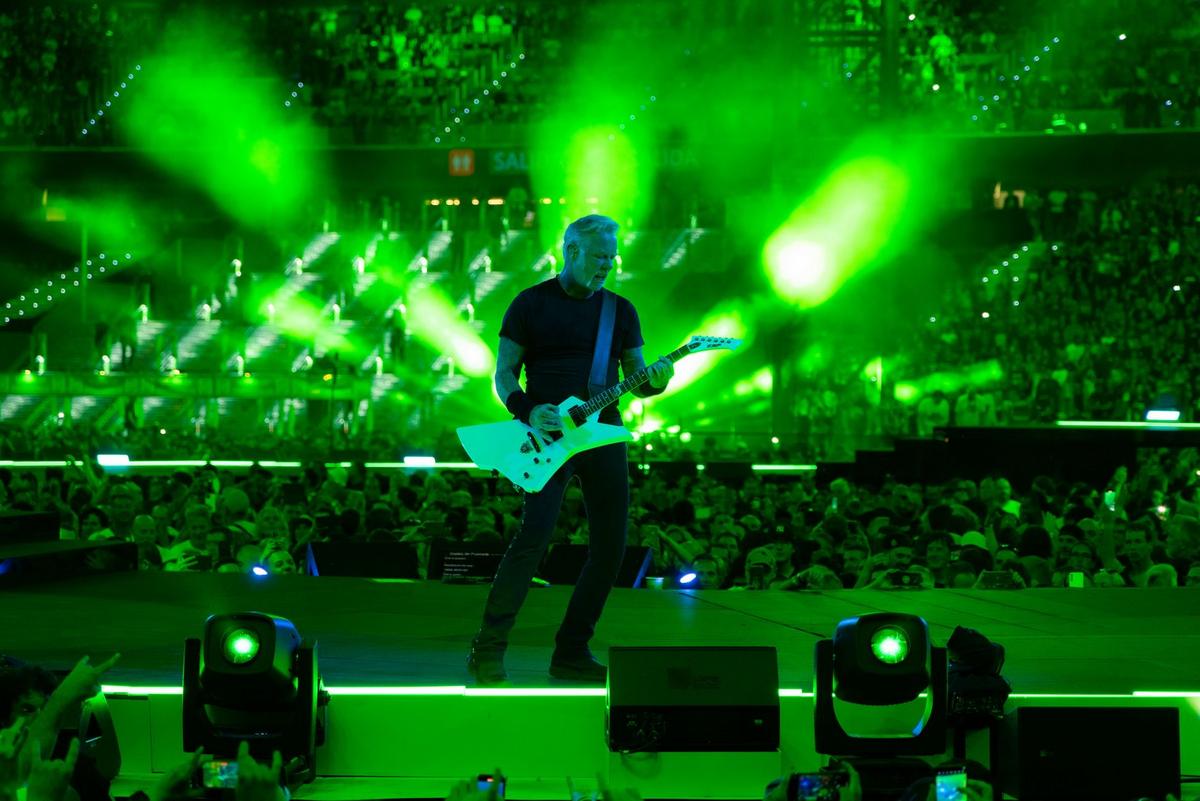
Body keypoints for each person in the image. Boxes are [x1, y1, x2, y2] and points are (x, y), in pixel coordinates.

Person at [467, 214, 674, 686]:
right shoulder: (530, 303)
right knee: (533, 537)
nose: (607, 266)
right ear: (572, 251)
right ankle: (488, 647)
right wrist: (526, 408)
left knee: (611, 547)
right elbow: (504, 373)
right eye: (600, 256)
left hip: (603, 433)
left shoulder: (620, 310)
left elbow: (639, 378)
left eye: (612, 258)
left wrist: (658, 382)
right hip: (547, 436)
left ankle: (572, 651)